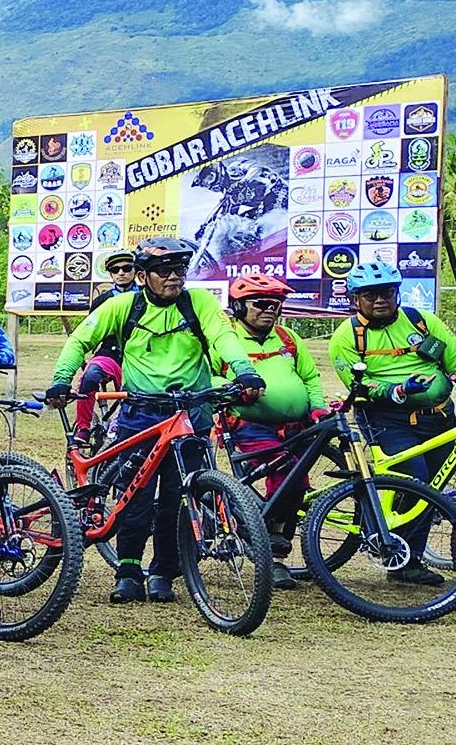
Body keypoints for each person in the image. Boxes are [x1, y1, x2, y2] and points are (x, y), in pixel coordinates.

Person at [45, 237, 264, 604]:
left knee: (179, 498)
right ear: (144, 276)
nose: (175, 277)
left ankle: (164, 570)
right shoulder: (122, 306)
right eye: (165, 271)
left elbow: (224, 338)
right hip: (141, 415)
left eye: (180, 269)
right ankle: (128, 569)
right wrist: (62, 379)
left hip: (191, 414)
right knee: (137, 496)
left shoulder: (200, 304)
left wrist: (244, 370)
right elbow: (81, 340)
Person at [327, 261, 456, 585]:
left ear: (397, 292)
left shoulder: (422, 321)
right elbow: (357, 387)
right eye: (370, 294)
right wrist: (397, 390)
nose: (380, 300)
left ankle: (409, 559)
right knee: (416, 478)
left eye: (387, 292)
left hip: (438, 416)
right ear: (355, 299)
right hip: (385, 418)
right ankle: (393, 547)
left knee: (433, 485)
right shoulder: (346, 337)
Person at [211, 274, 330, 591]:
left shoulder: (288, 337)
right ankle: (274, 556)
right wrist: (232, 389)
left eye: (276, 304)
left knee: (296, 485)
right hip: (248, 425)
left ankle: (261, 531)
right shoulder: (225, 338)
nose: (270, 309)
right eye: (261, 303)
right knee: (286, 474)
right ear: (238, 306)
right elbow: (204, 378)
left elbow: (310, 377)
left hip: (297, 426)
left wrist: (317, 406)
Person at [72, 250, 138, 443]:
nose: (121, 273)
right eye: (115, 269)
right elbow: (89, 333)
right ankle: (83, 428)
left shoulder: (145, 297)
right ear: (110, 274)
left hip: (139, 354)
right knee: (89, 378)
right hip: (110, 353)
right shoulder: (102, 300)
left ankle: (125, 423)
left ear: (136, 271)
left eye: (127, 268)